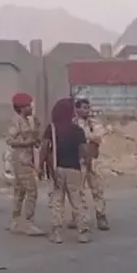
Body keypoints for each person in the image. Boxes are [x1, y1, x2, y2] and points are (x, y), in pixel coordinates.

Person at [41, 98, 90, 244]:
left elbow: (44, 149)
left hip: (57, 169)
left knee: (57, 200)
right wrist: (86, 164)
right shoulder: (78, 130)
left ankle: (56, 233)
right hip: (74, 169)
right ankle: (82, 233)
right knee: (77, 201)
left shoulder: (51, 128)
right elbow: (84, 151)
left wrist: (40, 167)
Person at [5, 93, 45, 236]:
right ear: (21, 108)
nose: (31, 108)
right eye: (28, 105)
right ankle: (28, 222)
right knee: (31, 191)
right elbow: (10, 140)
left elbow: (33, 138)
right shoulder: (16, 121)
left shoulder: (27, 121)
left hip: (26, 159)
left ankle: (16, 221)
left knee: (20, 191)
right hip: (21, 160)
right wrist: (27, 142)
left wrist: (36, 133)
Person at [71, 98, 110, 231]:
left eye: (88, 108)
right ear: (77, 109)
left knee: (97, 189)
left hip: (93, 160)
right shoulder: (73, 123)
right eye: (83, 108)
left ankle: (101, 215)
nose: (87, 111)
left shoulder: (94, 123)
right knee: (78, 190)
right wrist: (88, 136)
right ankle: (78, 217)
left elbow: (99, 136)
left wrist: (86, 135)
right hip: (79, 160)